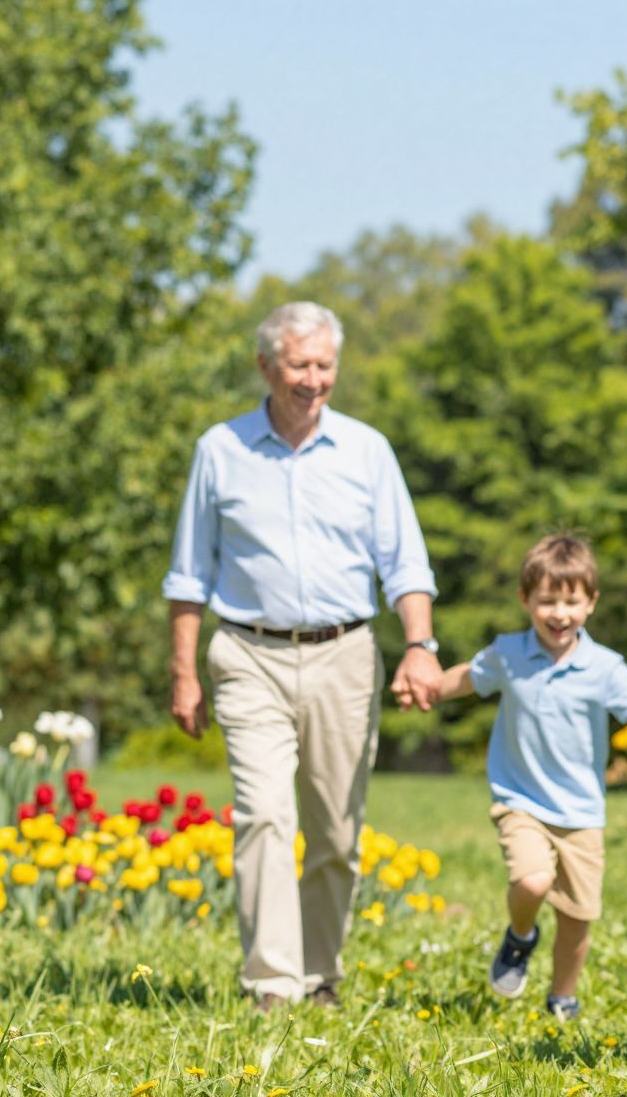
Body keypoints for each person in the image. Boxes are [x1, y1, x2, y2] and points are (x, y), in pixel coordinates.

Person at [163, 300, 444, 1011]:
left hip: (344, 655)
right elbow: (189, 575)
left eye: (324, 365)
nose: (313, 379)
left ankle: (320, 975)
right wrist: (183, 672)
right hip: (247, 654)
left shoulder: (367, 451)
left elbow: (405, 564)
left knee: (336, 832)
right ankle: (272, 985)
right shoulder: (220, 450)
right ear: (265, 366)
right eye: (298, 365)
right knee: (262, 815)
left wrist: (419, 647)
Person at [425, 533, 627, 1020]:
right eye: (547, 601)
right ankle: (520, 936)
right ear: (525, 600)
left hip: (582, 811)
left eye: (571, 602)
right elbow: (467, 678)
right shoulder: (508, 653)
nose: (559, 613)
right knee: (533, 881)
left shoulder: (604, 667)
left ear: (591, 603)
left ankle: (561, 997)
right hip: (520, 800)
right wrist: (427, 688)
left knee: (577, 918)